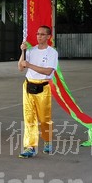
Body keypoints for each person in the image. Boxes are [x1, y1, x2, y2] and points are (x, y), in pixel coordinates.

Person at [17, 25, 58, 158]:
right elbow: (20, 68)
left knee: (44, 118)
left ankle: (47, 140)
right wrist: (22, 52)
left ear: (48, 37)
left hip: (43, 87)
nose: (39, 36)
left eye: (42, 34)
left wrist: (29, 65)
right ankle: (30, 146)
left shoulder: (52, 53)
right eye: (37, 34)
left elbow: (48, 71)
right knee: (29, 117)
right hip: (28, 86)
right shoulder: (30, 51)